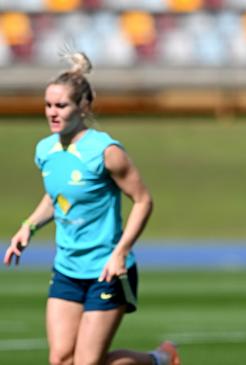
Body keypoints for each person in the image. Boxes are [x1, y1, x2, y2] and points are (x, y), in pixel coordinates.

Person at [3, 52, 180, 365]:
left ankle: (159, 360)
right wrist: (28, 227)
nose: (53, 113)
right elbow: (56, 197)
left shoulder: (105, 151)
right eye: (48, 106)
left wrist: (121, 251)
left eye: (61, 106)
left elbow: (143, 201)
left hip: (107, 269)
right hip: (67, 269)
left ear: (82, 107)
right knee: (60, 359)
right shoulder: (45, 150)